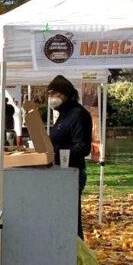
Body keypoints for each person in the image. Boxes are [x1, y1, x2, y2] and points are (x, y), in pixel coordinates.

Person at [47, 75, 93, 237]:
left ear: (66, 94)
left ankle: (76, 255)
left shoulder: (79, 114)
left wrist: (58, 154)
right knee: (63, 216)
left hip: (73, 172)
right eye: (50, 94)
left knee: (71, 218)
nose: (52, 98)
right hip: (59, 171)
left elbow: (83, 147)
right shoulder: (62, 115)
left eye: (56, 94)